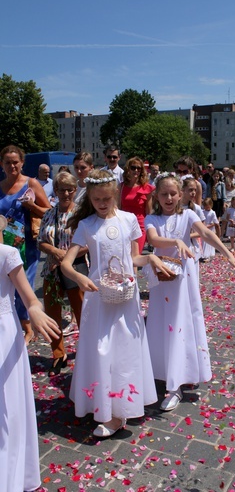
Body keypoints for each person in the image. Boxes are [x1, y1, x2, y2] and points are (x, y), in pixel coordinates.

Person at [61, 169, 172, 437]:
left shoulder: (129, 220)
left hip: (125, 296)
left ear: (115, 196)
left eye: (106, 199)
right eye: (96, 199)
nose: (101, 203)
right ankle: (102, 404)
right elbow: (66, 263)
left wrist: (151, 259)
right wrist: (79, 276)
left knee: (124, 350)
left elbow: (133, 258)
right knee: (101, 350)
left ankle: (119, 412)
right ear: (90, 198)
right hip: (98, 296)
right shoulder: (86, 225)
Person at [144, 172, 235, 411]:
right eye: (164, 194)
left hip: (184, 279)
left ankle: (177, 382)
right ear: (157, 196)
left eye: (173, 193)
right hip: (163, 280)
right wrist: (176, 242)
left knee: (183, 322)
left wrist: (228, 254)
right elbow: (154, 239)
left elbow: (206, 233)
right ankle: (164, 372)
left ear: (181, 194)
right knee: (163, 323)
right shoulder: (152, 218)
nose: (169, 198)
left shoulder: (189, 214)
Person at [0, 231, 60, 492]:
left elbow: (28, 296)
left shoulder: (6, 254)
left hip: (3, 338)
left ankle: (9, 476)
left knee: (7, 407)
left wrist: (34, 308)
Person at [0, 145, 51, 345]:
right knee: (6, 288)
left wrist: (31, 206)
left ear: (22, 163)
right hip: (4, 246)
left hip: (26, 246)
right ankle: (12, 324)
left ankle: (28, 327)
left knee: (25, 287)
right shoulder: (0, 185)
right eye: (7, 162)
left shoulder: (31, 183)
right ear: (1, 164)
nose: (12, 166)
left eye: (15, 162)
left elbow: (48, 211)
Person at [38, 172, 86, 375]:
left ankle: (88, 353)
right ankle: (59, 355)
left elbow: (89, 244)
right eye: (61, 189)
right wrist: (55, 252)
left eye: (70, 189)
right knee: (52, 314)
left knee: (83, 312)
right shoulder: (49, 213)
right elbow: (41, 241)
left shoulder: (82, 215)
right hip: (51, 270)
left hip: (75, 269)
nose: (65, 193)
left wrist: (67, 255)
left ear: (75, 190)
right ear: (55, 191)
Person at [118, 157, 155, 253]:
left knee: (136, 255)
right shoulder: (120, 187)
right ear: (128, 169)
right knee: (125, 254)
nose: (136, 170)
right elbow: (118, 207)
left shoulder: (146, 188)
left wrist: (150, 229)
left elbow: (148, 211)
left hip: (140, 225)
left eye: (139, 168)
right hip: (124, 224)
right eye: (133, 167)